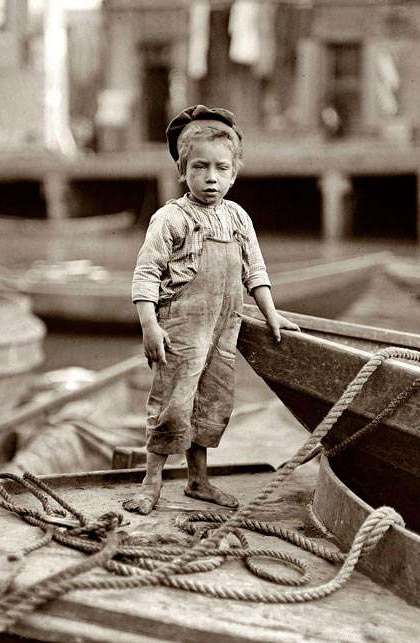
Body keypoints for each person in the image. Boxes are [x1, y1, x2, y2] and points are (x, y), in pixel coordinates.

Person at [124, 105, 299, 515]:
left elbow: (255, 269)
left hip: (224, 329)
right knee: (173, 403)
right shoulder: (171, 218)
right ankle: (151, 483)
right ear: (183, 171)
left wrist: (270, 312)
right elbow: (146, 273)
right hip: (182, 330)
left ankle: (199, 480)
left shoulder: (238, 217)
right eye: (200, 167)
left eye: (221, 168)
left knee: (213, 403)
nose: (211, 178)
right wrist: (149, 325)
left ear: (234, 174)